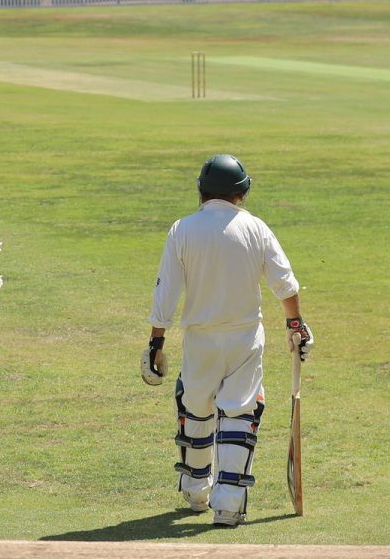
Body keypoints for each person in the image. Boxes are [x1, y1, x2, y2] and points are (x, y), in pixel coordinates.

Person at [141, 153, 313, 527]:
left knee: (195, 408)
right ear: (241, 192)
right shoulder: (256, 228)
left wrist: (156, 341)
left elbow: (166, 293)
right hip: (244, 339)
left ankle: (195, 488)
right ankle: (229, 506)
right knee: (240, 412)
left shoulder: (182, 229)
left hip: (199, 340)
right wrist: (295, 323)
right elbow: (286, 284)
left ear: (202, 191)